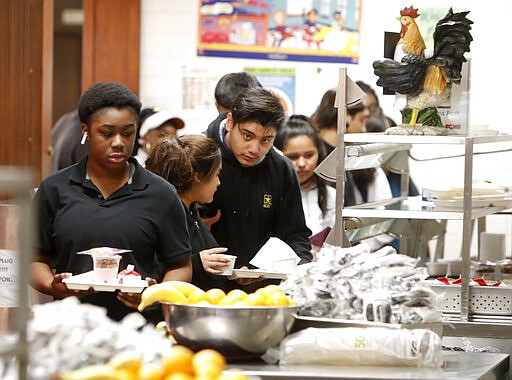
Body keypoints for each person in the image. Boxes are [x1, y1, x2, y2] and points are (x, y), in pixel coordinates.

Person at [31, 82, 192, 323]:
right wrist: (54, 286)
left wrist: (152, 295)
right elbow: (34, 260)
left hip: (138, 331)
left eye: (127, 133)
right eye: (107, 133)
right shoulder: (54, 189)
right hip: (71, 329)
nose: (118, 142)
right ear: (86, 130)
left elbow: (181, 266)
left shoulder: (161, 194)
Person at [205, 87, 312, 290]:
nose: (254, 149)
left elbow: (296, 235)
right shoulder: (199, 157)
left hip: (264, 291)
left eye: (266, 140)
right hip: (204, 289)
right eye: (247, 136)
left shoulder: (282, 168)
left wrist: (300, 271)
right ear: (230, 122)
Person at [145, 135, 232, 291]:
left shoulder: (192, 212)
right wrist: (196, 263)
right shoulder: (163, 215)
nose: (218, 182)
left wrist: (236, 278)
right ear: (197, 176)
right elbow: (153, 272)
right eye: (216, 174)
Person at [273, 115, 335, 238]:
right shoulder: (270, 196)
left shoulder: (331, 195)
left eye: (309, 155)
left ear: (319, 153)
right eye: (292, 157)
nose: (302, 164)